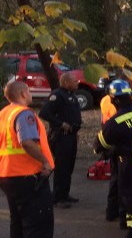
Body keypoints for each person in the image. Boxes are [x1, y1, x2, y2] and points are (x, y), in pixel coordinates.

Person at [93, 80, 132, 238]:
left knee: (131, 198)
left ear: (114, 100)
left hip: (129, 166)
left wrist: (113, 147)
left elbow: (98, 147)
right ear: (131, 95)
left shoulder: (114, 123)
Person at [0, 81, 54, 238]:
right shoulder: (23, 114)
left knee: (17, 220)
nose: (30, 94)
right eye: (29, 91)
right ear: (23, 94)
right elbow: (26, 142)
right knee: (37, 223)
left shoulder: (4, 114)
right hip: (27, 175)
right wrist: (45, 162)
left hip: (7, 174)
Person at [101, 75, 132, 225]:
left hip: (112, 142)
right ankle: (124, 217)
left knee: (115, 181)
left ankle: (111, 212)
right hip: (128, 150)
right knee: (128, 188)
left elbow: (104, 121)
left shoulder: (105, 100)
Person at [39, 72, 82, 208]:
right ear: (66, 82)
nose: (78, 82)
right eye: (74, 81)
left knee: (69, 166)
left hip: (71, 135)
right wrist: (60, 123)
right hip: (61, 136)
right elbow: (44, 113)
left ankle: (65, 193)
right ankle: (57, 198)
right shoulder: (57, 96)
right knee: (61, 167)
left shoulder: (71, 95)